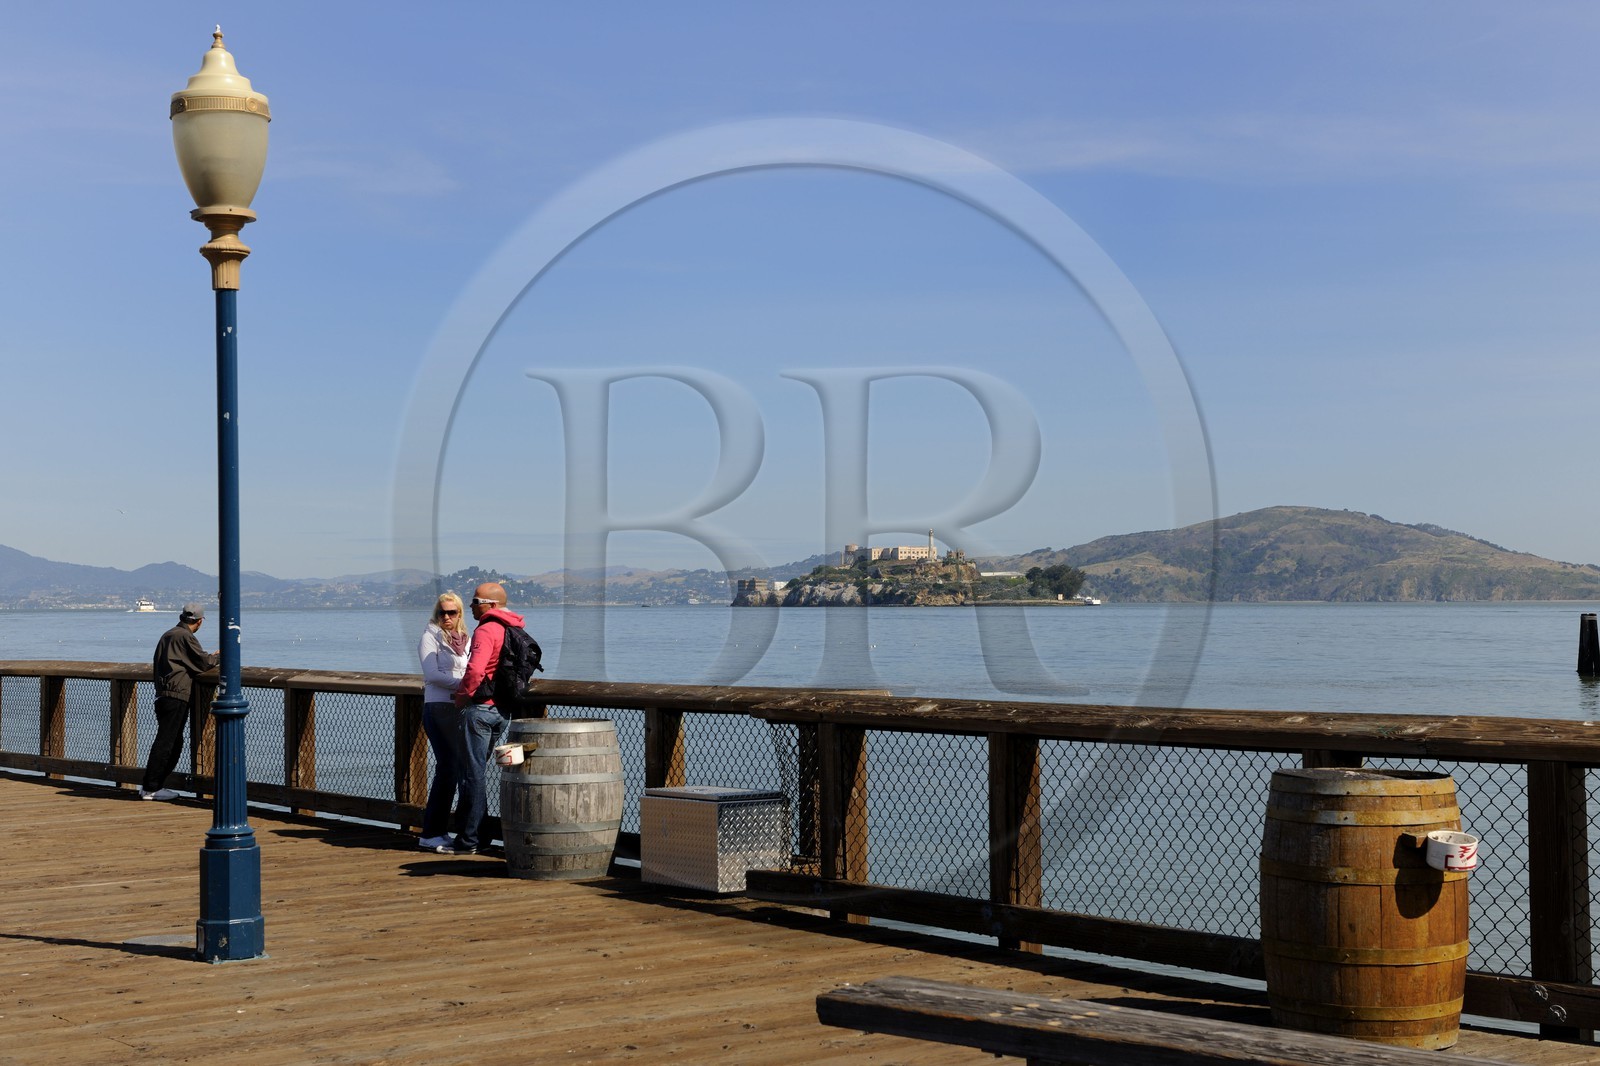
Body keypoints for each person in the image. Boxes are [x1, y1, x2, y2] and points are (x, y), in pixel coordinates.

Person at [451, 581, 525, 855]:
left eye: (475, 602)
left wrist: (461, 696)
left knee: (472, 775)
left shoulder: (486, 629)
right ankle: (482, 836)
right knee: (479, 773)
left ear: (491, 605)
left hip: (480, 709)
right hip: (502, 712)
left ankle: (470, 840)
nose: (471, 606)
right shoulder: (513, 628)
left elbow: (475, 670)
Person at [140, 602, 219, 801]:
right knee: (168, 742)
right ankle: (150, 788)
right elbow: (203, 662)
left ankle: (153, 786)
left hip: (163, 694)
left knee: (171, 741)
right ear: (200, 621)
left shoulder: (168, 635)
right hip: (176, 695)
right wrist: (218, 657)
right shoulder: (185, 636)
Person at [417, 591, 470, 852]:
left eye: (452, 612)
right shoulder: (430, 637)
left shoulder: (465, 640)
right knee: (448, 768)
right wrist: (466, 685)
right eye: (442, 612)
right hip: (438, 707)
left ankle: (444, 831)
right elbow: (433, 675)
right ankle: (431, 832)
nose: (447, 617)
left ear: (460, 614)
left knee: (457, 769)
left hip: (459, 708)